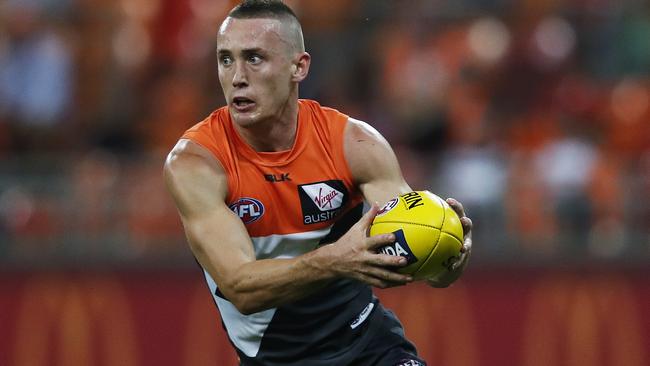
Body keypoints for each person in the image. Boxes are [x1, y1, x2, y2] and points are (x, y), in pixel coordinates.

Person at [164, 1, 472, 365]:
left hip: (369, 347)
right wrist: (335, 261)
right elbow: (240, 287)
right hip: (275, 360)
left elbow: (410, 249)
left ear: (299, 66)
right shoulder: (197, 163)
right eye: (226, 59)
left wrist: (446, 259)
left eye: (254, 58)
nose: (237, 77)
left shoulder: (354, 144)